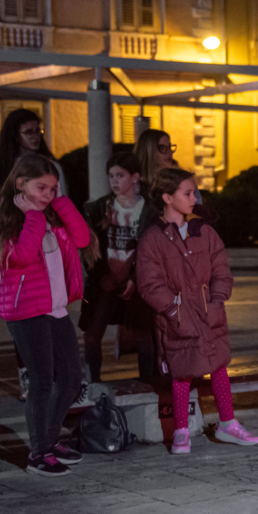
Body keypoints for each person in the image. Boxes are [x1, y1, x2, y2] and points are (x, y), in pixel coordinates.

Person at [136, 167, 258, 454]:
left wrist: (217, 300)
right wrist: (173, 309)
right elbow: (149, 284)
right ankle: (181, 430)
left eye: (194, 193)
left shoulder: (204, 231)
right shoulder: (153, 238)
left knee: (218, 366)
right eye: (188, 193)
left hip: (207, 312)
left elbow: (221, 269)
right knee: (182, 371)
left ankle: (227, 423)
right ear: (167, 197)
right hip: (178, 318)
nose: (195, 199)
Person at [0, 154, 91, 476]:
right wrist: (32, 215)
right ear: (20, 184)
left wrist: (60, 203)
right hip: (25, 310)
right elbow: (21, 257)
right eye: (41, 187)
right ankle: (38, 453)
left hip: (55, 308)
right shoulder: (2, 216)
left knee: (71, 378)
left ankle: (50, 439)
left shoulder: (51, 211)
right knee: (42, 381)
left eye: (53, 188)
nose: (47, 194)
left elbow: (83, 238)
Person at [0, 108, 70, 401]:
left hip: (46, 249)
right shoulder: (1, 169)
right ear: (15, 135)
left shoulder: (51, 165)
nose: (35, 137)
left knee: (50, 317)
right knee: (21, 319)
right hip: (15, 249)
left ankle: (48, 378)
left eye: (38, 131)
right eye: (29, 132)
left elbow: (61, 204)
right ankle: (28, 376)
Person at [80, 152, 156, 383]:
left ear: (135, 177)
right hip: (106, 281)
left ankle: (147, 384)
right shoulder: (98, 208)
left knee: (143, 334)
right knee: (92, 334)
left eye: (120, 175)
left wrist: (135, 278)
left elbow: (152, 250)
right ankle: (93, 383)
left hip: (136, 282)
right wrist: (101, 274)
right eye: (111, 176)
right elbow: (89, 247)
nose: (114, 180)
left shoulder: (149, 210)